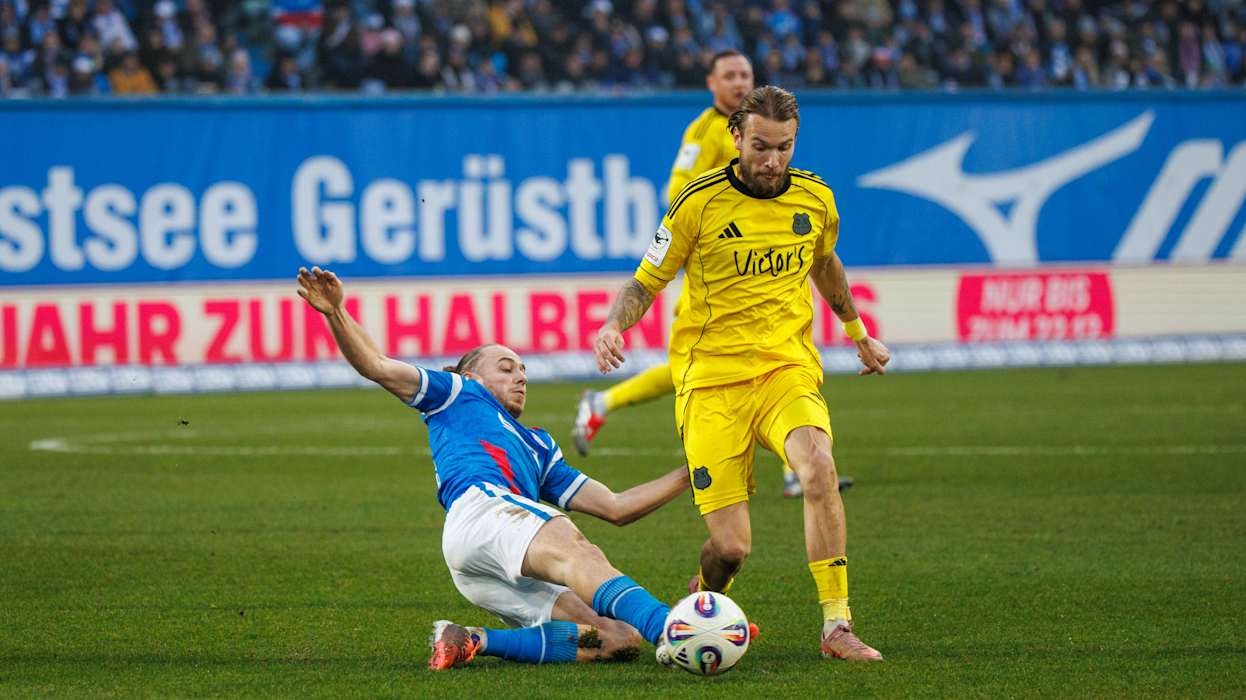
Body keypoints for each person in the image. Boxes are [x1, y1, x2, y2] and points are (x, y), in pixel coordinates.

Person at [295, 266, 739, 670]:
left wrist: (693, 470)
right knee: (577, 549)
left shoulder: (538, 445)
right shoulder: (456, 393)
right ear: (471, 375)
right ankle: (673, 625)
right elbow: (375, 365)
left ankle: (471, 639)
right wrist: (337, 312)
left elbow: (617, 507)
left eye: (524, 370)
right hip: (486, 513)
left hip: (480, 560)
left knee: (616, 638)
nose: (521, 376)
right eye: (506, 368)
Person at [591, 86, 889, 662]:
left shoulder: (816, 199)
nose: (772, 160)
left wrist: (857, 332)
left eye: (784, 148)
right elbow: (645, 280)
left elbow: (823, 263)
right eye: (760, 146)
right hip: (711, 382)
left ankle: (837, 626)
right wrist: (613, 325)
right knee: (730, 549)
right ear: (736, 138)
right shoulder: (696, 203)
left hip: (785, 369)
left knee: (819, 465)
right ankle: (707, 598)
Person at [571, 50, 839, 498]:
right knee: (707, 366)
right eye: (729, 75)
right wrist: (724, 213)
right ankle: (605, 401)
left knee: (756, 358)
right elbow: (680, 194)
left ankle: (798, 461)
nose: (738, 82)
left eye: (745, 75)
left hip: (750, 258)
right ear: (711, 82)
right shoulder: (703, 132)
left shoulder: (761, 134)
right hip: (716, 265)